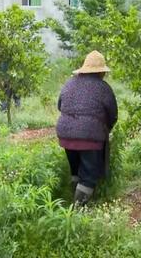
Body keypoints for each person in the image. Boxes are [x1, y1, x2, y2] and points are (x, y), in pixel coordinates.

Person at [56, 50, 118, 205]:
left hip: (65, 135)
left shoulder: (69, 83)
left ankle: (73, 198)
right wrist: (105, 129)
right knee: (89, 176)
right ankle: (77, 212)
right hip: (90, 136)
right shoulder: (103, 88)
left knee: (76, 170)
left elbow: (60, 105)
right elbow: (112, 114)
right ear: (100, 72)